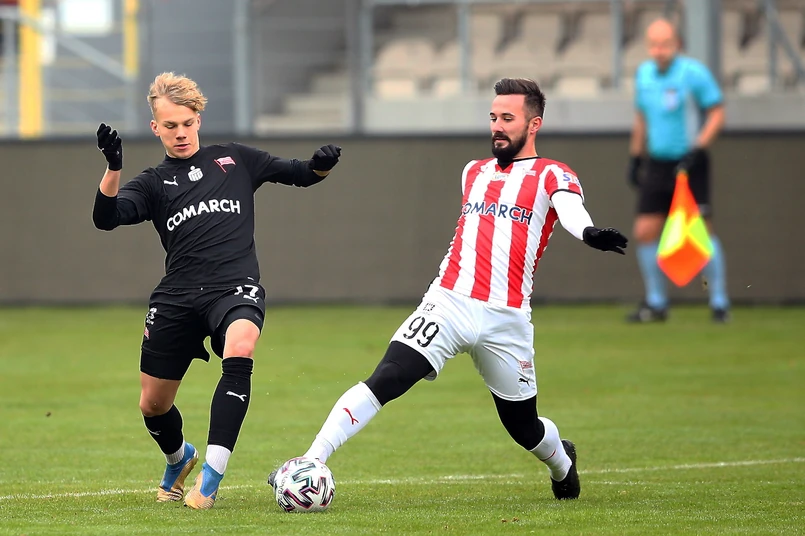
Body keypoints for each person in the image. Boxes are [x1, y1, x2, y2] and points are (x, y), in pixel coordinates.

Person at [268, 78, 628, 501]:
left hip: (506, 317)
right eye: (493, 117)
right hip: (449, 301)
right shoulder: (473, 171)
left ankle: (562, 463)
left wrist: (588, 232)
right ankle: (311, 461)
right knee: (388, 376)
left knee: (523, 427)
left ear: (534, 124)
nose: (497, 126)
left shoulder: (552, 173)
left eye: (508, 118)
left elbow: (570, 208)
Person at [92, 72, 342, 510]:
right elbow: (105, 218)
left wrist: (321, 164)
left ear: (199, 121)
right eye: (170, 126)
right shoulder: (153, 182)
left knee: (241, 346)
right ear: (155, 128)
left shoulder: (235, 159)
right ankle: (179, 458)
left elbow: (301, 174)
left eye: (187, 123)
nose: (181, 132)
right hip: (177, 296)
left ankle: (209, 479)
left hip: (233, 288)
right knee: (153, 405)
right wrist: (114, 168)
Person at [626, 18, 729, 323]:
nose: (659, 51)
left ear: (677, 45)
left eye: (665, 44)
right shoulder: (644, 75)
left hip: (690, 163)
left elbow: (717, 112)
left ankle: (719, 302)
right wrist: (636, 156)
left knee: (702, 232)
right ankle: (656, 303)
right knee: (645, 231)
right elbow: (641, 118)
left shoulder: (693, 73)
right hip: (658, 163)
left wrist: (698, 149)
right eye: (654, 45)